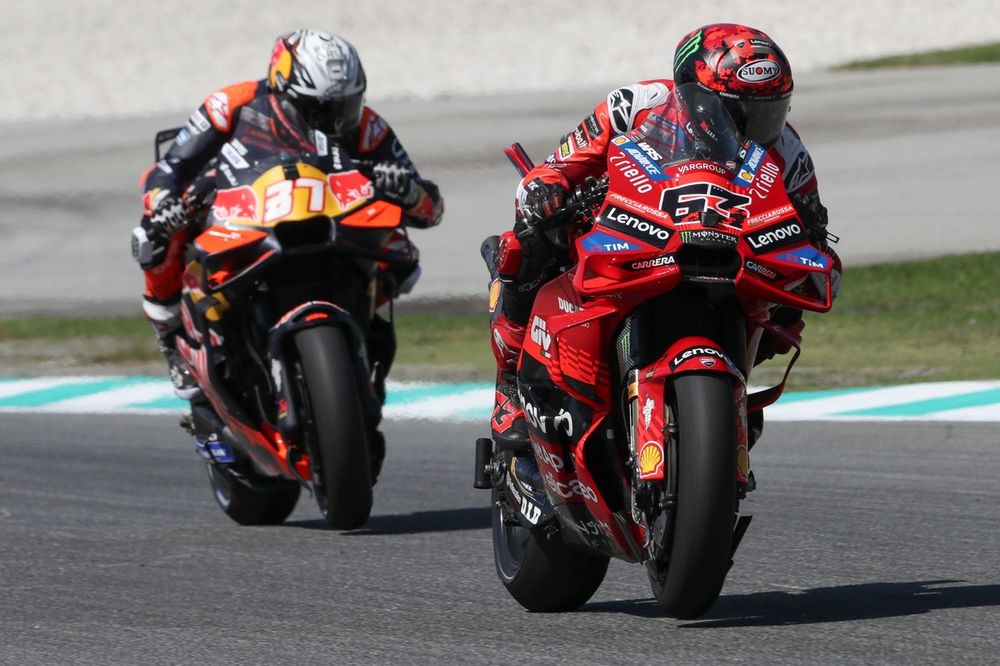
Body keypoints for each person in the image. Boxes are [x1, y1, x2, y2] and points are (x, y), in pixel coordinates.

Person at [487, 23, 840, 452]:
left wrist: (819, 258)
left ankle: (726, 401)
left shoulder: (789, 150)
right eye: (739, 113)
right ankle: (509, 384)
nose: (758, 126)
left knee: (786, 310)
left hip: (726, 250)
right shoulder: (634, 106)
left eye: (771, 111)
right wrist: (549, 189)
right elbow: (555, 167)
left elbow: (812, 227)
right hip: (624, 231)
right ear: (696, 97)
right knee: (528, 242)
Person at [132, 29, 443, 402]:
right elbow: (171, 168)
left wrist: (406, 191)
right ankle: (171, 339)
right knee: (153, 232)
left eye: (345, 105)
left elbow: (430, 208)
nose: (335, 119)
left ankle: (366, 338)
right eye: (319, 109)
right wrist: (166, 203)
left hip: (331, 221)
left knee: (397, 253)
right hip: (244, 214)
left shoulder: (367, 126)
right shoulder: (231, 104)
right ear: (283, 89)